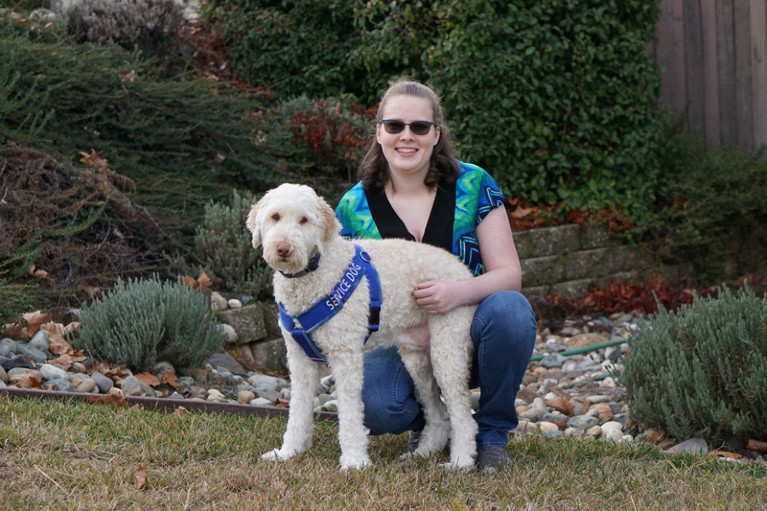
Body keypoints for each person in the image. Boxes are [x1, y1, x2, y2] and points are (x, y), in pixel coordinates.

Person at [334, 78, 537, 470]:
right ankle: (431, 422)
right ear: (379, 132)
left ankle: (492, 433)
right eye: (394, 126)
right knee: (374, 403)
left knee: (511, 311)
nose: (406, 137)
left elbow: (509, 275)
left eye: (419, 127)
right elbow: (344, 299)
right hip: (400, 341)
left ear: (436, 134)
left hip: (476, 331)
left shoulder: (474, 184)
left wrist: (453, 296)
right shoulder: (353, 207)